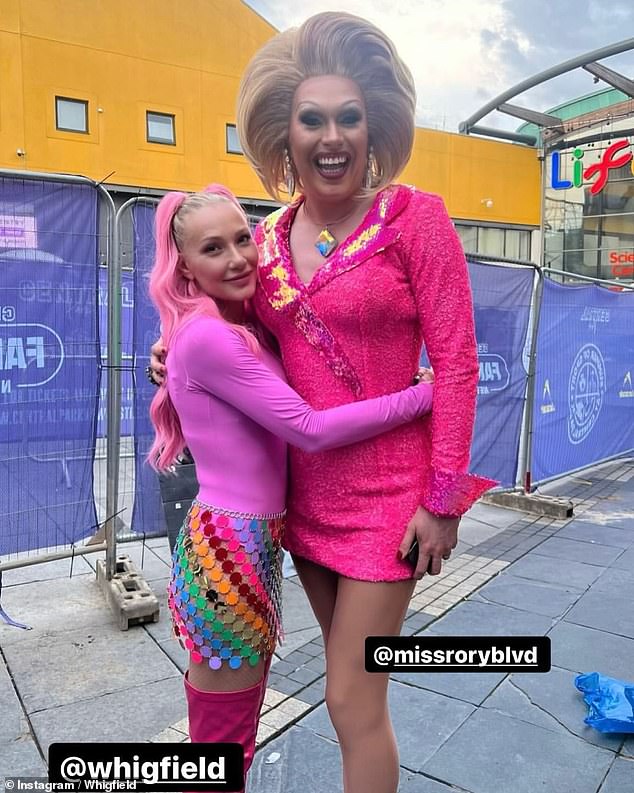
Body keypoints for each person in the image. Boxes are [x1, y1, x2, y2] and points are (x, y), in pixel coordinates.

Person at [150, 12, 496, 793]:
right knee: (344, 693)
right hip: (304, 505)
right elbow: (234, 344)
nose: (331, 135)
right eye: (312, 119)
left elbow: (458, 361)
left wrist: (443, 500)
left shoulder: (418, 219)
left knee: (350, 696)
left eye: (349, 117)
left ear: (375, 129)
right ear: (286, 133)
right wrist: (168, 351)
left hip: (391, 504)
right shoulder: (264, 240)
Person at [146, 183, 435, 792]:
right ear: (186, 269)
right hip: (229, 549)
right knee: (224, 740)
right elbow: (308, 427)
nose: (238, 258)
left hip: (246, 543)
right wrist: (423, 394)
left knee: (231, 730)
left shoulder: (227, 327)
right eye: (212, 249)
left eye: (243, 238)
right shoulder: (211, 337)